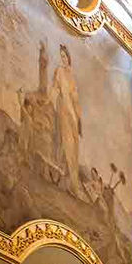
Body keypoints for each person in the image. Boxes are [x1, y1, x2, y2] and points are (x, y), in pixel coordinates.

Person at [50, 45, 82, 193]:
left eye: (64, 56)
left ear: (69, 57)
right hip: (63, 109)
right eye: (61, 56)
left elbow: (75, 99)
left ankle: (72, 180)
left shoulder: (72, 76)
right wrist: (49, 101)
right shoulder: (59, 71)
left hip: (72, 114)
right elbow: (55, 88)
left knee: (74, 146)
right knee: (66, 143)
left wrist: (79, 119)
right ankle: (68, 180)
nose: (63, 59)